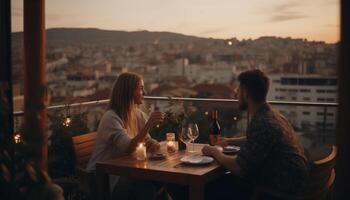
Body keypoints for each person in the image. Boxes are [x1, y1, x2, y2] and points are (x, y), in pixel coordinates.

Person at [202, 69, 309, 199]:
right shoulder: (273, 116)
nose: (236, 93)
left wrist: (214, 151)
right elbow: (257, 139)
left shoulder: (262, 122)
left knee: (203, 188)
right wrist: (230, 141)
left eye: (239, 89)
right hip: (289, 185)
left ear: (246, 93)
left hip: (273, 193)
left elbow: (238, 168)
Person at [86, 72, 167, 199]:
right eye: (140, 88)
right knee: (149, 184)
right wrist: (149, 125)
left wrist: (154, 144)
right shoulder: (110, 118)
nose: (144, 92)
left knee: (160, 182)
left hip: (127, 170)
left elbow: (148, 141)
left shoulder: (137, 114)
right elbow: (129, 148)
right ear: (129, 91)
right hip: (107, 178)